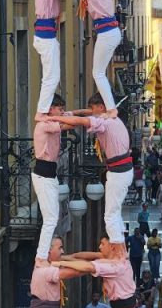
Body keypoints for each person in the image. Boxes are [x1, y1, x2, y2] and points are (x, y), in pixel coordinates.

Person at [55, 98, 132, 243]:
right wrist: (69, 114)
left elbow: (82, 121)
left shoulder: (106, 123)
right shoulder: (110, 117)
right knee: (113, 213)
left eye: (93, 108)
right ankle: (118, 245)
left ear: (101, 107)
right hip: (120, 170)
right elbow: (86, 114)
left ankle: (118, 249)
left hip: (119, 171)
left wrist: (54, 121)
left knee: (110, 215)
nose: (91, 111)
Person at [32, 0, 85, 116]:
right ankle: (42, 111)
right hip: (45, 36)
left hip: (47, 36)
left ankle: (42, 110)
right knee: (51, 77)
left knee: (51, 77)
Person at [31, 96, 66, 262]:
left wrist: (93, 115)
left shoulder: (52, 120)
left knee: (53, 217)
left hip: (49, 175)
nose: (63, 112)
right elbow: (66, 124)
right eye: (60, 109)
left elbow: (74, 115)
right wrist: (90, 122)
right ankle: (41, 256)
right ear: (51, 108)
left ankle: (42, 255)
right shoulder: (45, 125)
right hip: (43, 175)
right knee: (50, 219)